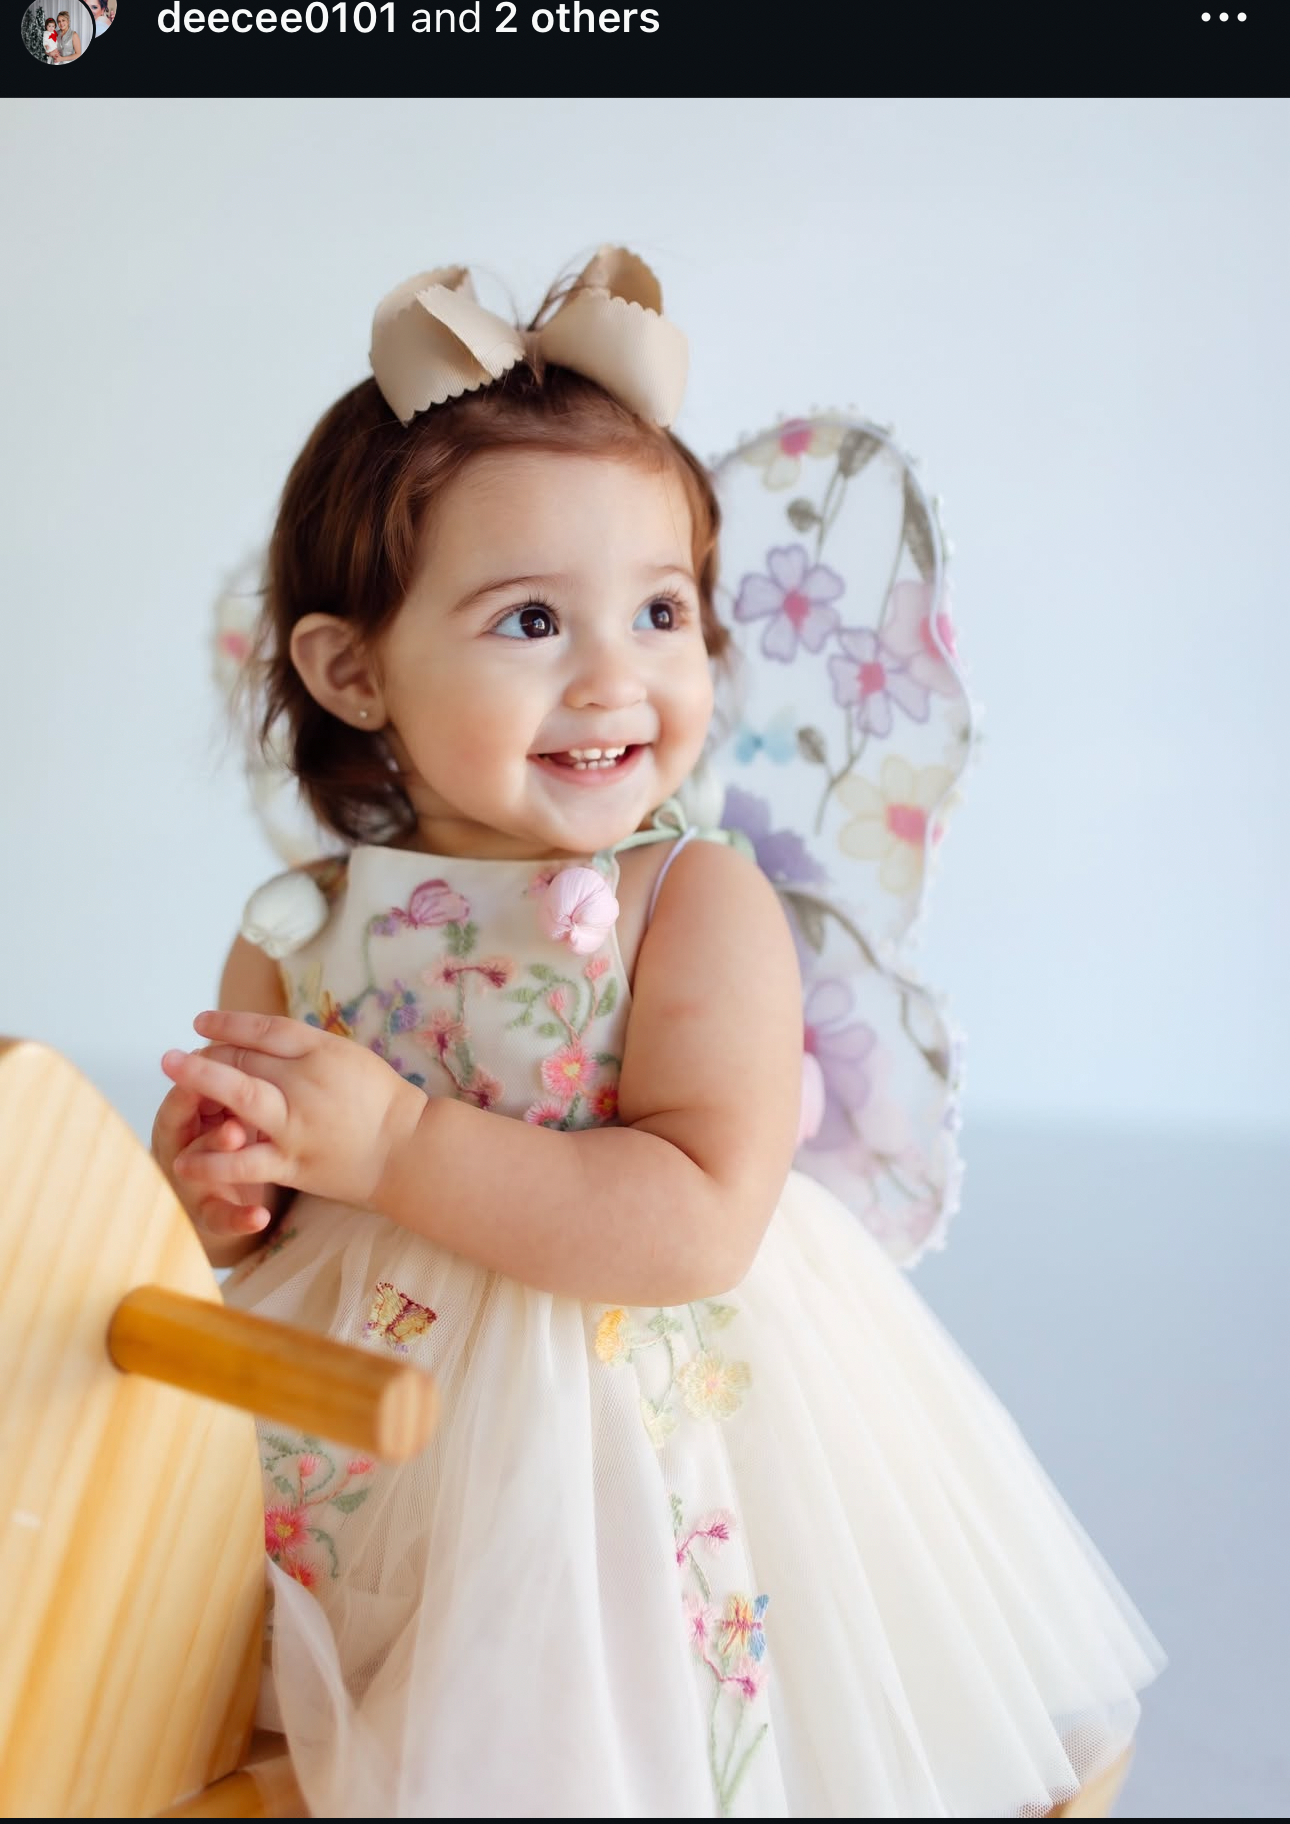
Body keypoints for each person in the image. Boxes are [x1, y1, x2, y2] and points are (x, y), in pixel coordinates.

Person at [152, 248, 1164, 1818]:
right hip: (371, 1414)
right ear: (353, 672)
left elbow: (694, 1219)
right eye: (531, 619)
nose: (615, 675)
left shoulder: (689, 905)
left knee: (575, 1708)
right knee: (303, 1687)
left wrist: (399, 1141)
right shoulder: (300, 927)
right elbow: (261, 1211)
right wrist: (224, 1193)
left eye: (660, 609)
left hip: (624, 1408)